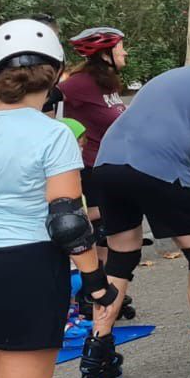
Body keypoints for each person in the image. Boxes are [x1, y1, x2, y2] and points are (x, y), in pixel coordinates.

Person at [83, 28, 190, 378]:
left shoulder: (166, 76)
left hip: (108, 167)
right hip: (159, 169)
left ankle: (97, 353)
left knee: (121, 259)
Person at [0, 19, 117, 378]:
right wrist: (97, 284)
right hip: (24, 270)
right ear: (54, 75)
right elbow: (67, 221)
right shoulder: (53, 135)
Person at [61, 27, 129, 314]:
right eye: (121, 48)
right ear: (104, 54)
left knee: (106, 230)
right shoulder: (77, 84)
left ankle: (101, 289)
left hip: (109, 165)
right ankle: (88, 292)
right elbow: (47, 103)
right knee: (95, 225)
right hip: (89, 167)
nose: (125, 52)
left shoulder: (107, 83)